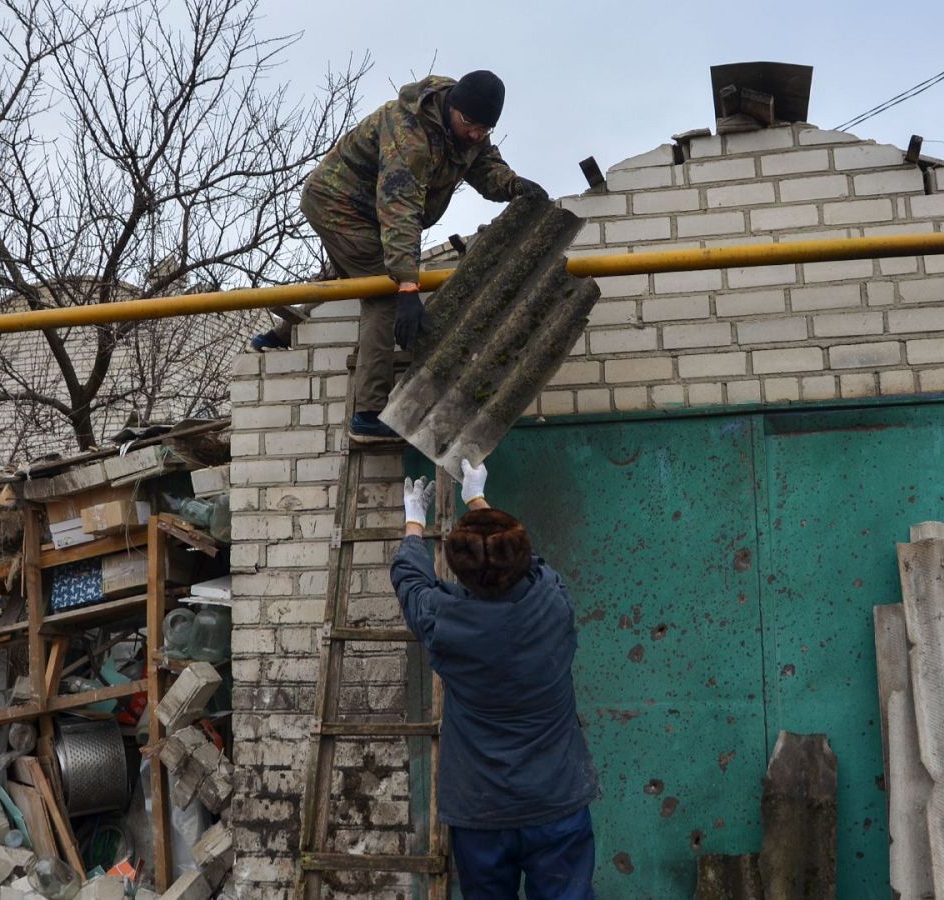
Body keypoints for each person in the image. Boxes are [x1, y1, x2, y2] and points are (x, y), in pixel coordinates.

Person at [249, 71, 548, 443]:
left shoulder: (470, 130)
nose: (475, 135)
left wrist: (514, 185)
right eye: (469, 125)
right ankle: (368, 415)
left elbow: (486, 168)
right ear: (453, 106)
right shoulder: (409, 134)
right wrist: (407, 286)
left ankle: (280, 335)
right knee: (382, 293)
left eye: (484, 130)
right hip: (339, 204)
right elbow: (400, 209)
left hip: (372, 212)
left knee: (352, 276)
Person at [393, 460, 599, 899]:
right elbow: (529, 561)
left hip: (482, 811)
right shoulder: (553, 600)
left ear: (461, 572)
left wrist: (414, 521)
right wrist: (477, 499)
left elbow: (411, 583)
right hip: (556, 800)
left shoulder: (444, 621)